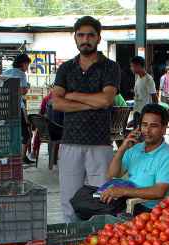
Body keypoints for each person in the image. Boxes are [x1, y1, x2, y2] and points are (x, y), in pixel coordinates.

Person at [51, 16, 121, 223]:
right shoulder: (66, 69)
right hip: (70, 142)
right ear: (75, 38)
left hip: (100, 143)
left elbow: (106, 99)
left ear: (99, 38)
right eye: (81, 35)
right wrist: (92, 102)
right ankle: (72, 243)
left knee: (101, 200)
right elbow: (57, 103)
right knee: (69, 200)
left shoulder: (110, 67)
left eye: (90, 35)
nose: (85, 39)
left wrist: (72, 95)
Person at [72, 104, 169, 220]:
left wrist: (123, 191)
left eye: (153, 126)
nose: (147, 130)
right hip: (123, 198)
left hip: (142, 207)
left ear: (163, 129)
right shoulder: (136, 148)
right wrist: (122, 149)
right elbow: (112, 175)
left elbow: (159, 192)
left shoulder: (167, 157)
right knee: (82, 196)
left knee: (87, 210)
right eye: (144, 125)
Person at [2, 54, 35, 166]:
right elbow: (23, 91)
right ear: (23, 63)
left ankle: (11, 157)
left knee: (10, 133)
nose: (27, 67)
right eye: (27, 64)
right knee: (26, 133)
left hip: (5, 107)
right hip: (17, 107)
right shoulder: (21, 74)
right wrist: (27, 87)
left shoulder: (6, 71)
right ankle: (22, 157)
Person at [131, 55, 157, 130]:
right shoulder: (138, 78)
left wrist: (155, 113)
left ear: (138, 66)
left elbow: (154, 97)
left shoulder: (148, 79)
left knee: (142, 136)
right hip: (137, 111)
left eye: (132, 66)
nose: (131, 68)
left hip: (145, 112)